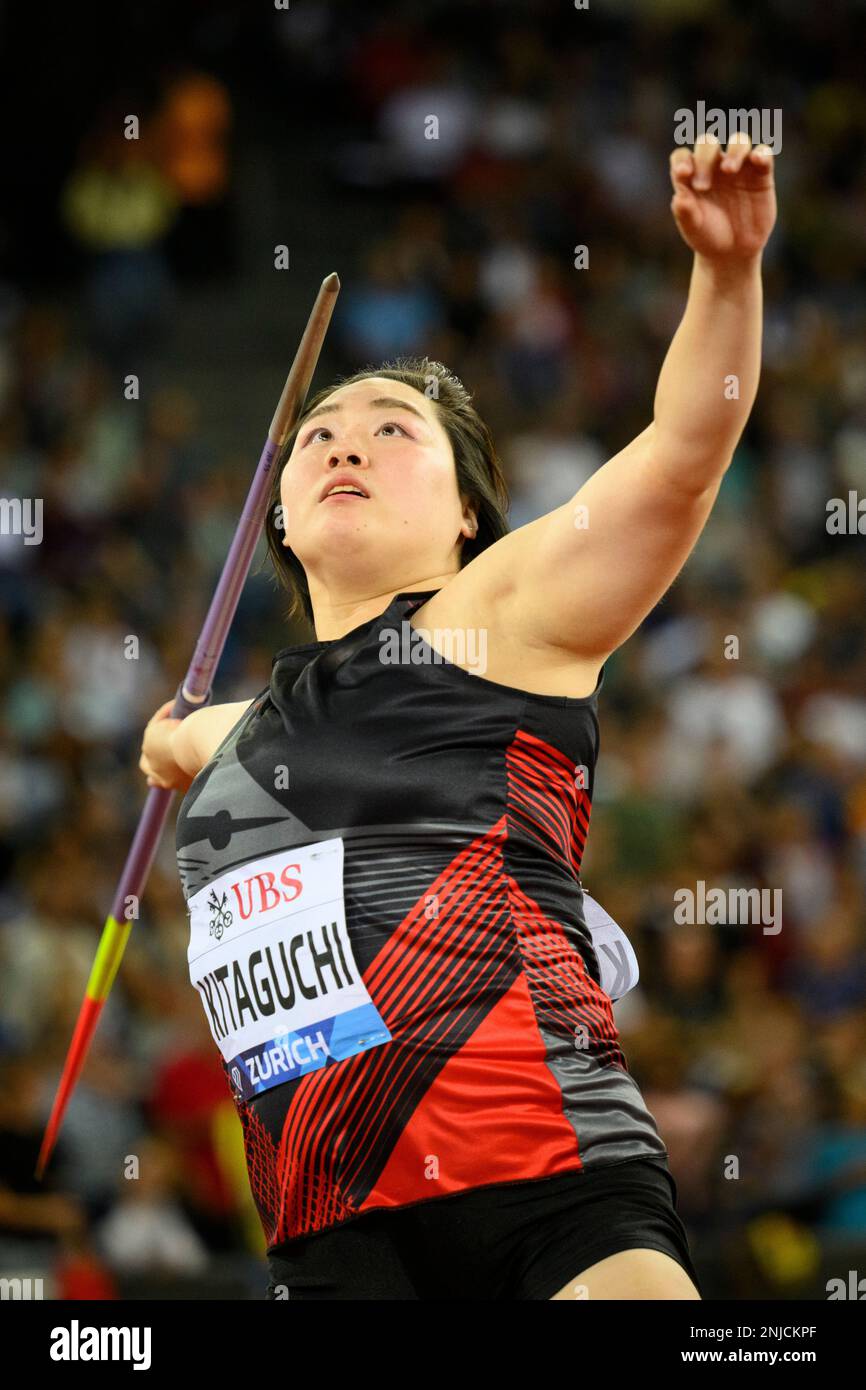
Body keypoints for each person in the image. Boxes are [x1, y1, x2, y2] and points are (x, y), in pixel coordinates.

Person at [140, 134, 776, 1299]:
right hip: (328, 1232)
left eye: (394, 430)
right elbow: (191, 737)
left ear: (469, 518)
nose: (346, 442)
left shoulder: (501, 613)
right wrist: (168, 737)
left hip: (545, 1185)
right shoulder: (240, 733)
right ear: (276, 516)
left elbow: (682, 454)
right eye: (322, 435)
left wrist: (725, 278)